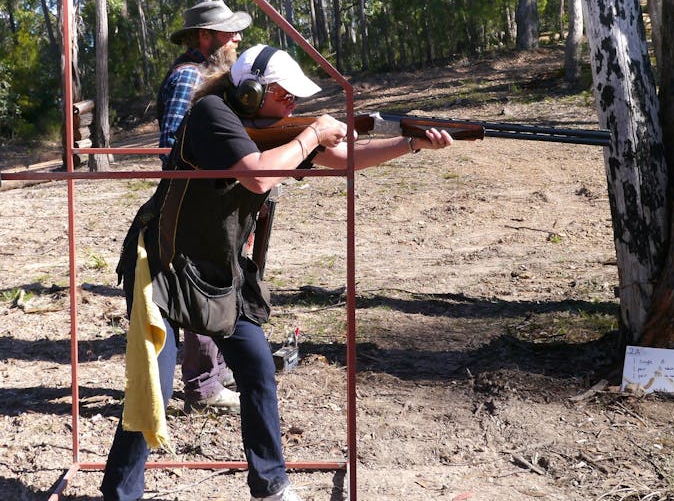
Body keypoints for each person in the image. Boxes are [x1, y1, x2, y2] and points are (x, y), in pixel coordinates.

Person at [101, 44, 453, 501]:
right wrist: (310, 136)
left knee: (258, 368)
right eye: (285, 96)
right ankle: (120, 494)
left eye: (295, 100)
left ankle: (270, 486)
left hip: (216, 272)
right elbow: (257, 177)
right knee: (155, 387)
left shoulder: (269, 133)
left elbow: (344, 160)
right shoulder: (212, 114)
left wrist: (411, 143)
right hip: (164, 269)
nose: (294, 106)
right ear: (250, 92)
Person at [157, 0, 251, 413]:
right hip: (193, 200)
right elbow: (170, 145)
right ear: (205, 36)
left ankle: (216, 371)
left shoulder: (211, 75)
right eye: (229, 32)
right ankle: (203, 387)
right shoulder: (187, 78)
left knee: (218, 279)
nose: (237, 38)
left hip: (212, 196)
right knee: (200, 286)